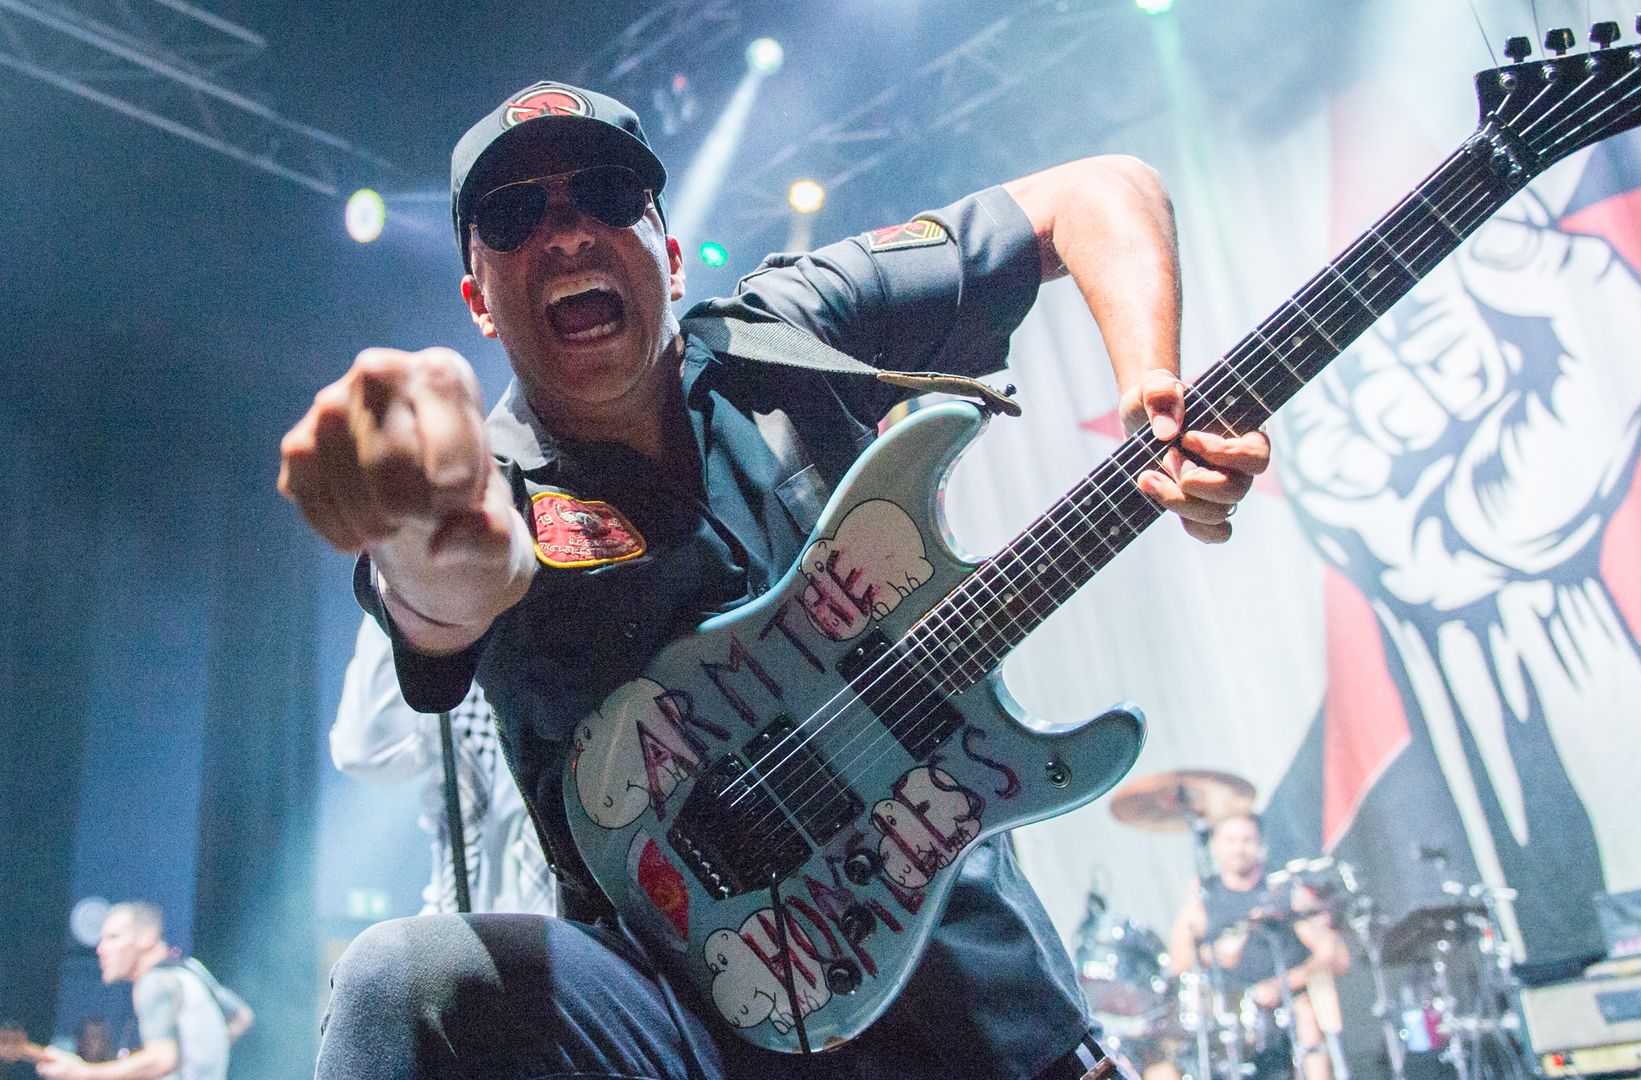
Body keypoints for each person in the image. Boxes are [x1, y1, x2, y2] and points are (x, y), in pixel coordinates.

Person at [278, 79, 1269, 1079]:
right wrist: (417, 530)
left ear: (668, 251)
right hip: (696, 1036)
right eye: (514, 214)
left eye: (609, 192)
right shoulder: (498, 489)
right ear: (478, 301)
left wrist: (1157, 399)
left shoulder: (792, 327)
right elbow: (458, 585)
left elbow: (1100, 191)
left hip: (985, 1017)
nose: (569, 231)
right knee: (401, 980)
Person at [333, 613, 555, 915]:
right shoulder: (454, 646)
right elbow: (366, 753)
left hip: (570, 930)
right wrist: (398, 588)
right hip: (465, 923)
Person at [1166, 814, 1350, 1080]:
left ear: (1261, 844)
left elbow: (1335, 957)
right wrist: (1213, 953)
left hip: (1286, 1011)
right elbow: (1178, 965)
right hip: (1227, 1017)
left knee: (1307, 1014)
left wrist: (1281, 985)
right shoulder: (1203, 897)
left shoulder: (1282, 891)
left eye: (1247, 840)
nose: (1239, 848)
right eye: (1230, 840)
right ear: (1216, 846)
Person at [33, 903, 252, 1080]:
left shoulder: (153, 983)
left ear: (146, 936)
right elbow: (242, 1017)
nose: (101, 949)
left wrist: (86, 1073)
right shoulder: (191, 971)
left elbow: (162, 1059)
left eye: (113, 937)